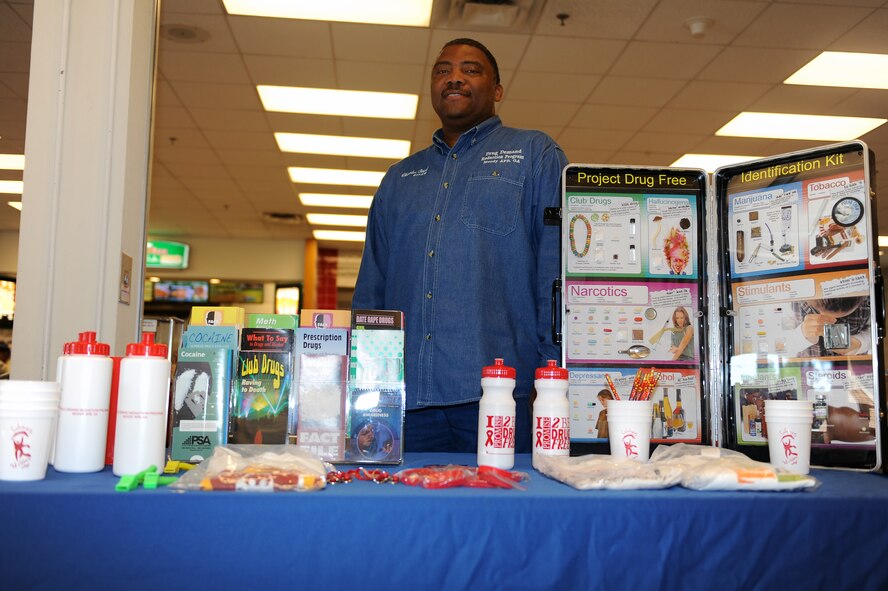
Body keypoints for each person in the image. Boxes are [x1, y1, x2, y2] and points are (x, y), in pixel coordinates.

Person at [352, 38, 567, 453]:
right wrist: (364, 388)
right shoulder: (399, 179)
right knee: (402, 498)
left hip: (501, 396)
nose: (454, 78)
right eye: (442, 70)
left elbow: (555, 274)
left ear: (497, 90)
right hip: (403, 401)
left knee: (510, 496)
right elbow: (371, 293)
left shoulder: (534, 154)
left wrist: (550, 378)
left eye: (471, 69)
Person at [788, 296, 871, 357]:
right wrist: (802, 334)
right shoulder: (795, 300)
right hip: (811, 368)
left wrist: (860, 343)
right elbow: (787, 344)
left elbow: (873, 331)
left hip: (853, 366)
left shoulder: (869, 300)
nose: (834, 319)